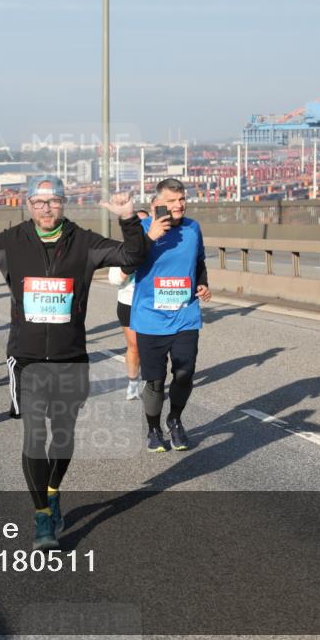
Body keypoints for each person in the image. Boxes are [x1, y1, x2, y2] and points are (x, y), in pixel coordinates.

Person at [0, 176, 147, 550]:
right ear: (29, 206)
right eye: (39, 202)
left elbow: (134, 256)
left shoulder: (84, 242)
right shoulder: (12, 242)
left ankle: (53, 490)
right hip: (27, 357)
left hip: (71, 356)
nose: (46, 208)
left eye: (53, 202)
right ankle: (41, 518)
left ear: (63, 204)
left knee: (63, 437)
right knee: (36, 436)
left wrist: (129, 219)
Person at [130, 178, 210, 452]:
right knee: (154, 381)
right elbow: (128, 262)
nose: (178, 205)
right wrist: (150, 235)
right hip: (150, 318)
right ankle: (153, 428)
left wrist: (202, 283)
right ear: (157, 204)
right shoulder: (142, 229)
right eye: (172, 201)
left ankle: (174, 420)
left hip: (185, 315)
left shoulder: (193, 228)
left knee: (185, 372)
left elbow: (199, 261)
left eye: (182, 199)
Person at [109, 207, 151, 400]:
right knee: (134, 346)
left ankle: (152, 383)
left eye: (144, 223)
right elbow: (114, 280)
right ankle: (133, 382)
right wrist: (129, 266)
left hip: (152, 303)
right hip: (129, 302)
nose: (140, 227)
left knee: (152, 347)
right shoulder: (121, 249)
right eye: (136, 223)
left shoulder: (158, 248)